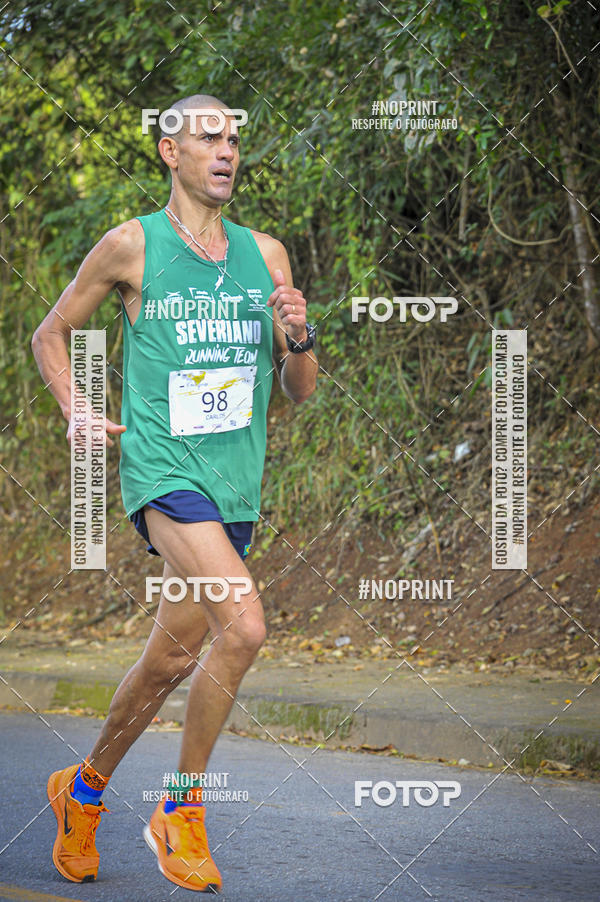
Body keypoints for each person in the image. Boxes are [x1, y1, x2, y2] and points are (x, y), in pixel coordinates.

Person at [32, 93, 318, 893]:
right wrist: (77, 408)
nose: (226, 150)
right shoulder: (132, 246)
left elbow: (300, 390)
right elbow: (48, 331)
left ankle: (81, 792)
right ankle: (182, 812)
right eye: (208, 137)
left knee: (169, 661)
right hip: (163, 472)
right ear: (172, 152)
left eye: (233, 138)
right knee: (246, 625)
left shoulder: (266, 256)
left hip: (234, 484)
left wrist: (301, 333)